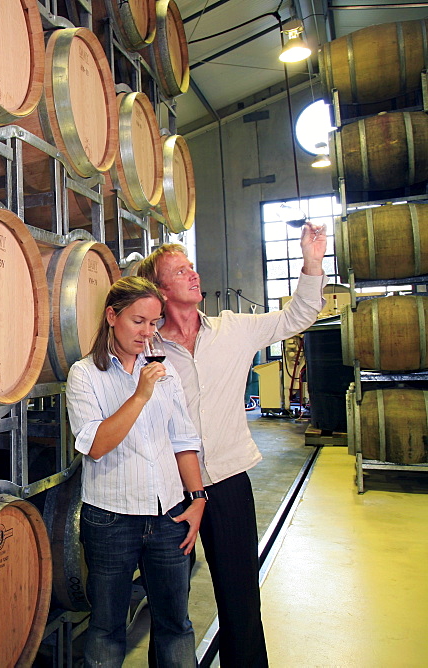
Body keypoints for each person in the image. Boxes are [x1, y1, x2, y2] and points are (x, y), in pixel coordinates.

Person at [136, 222, 328, 667]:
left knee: (241, 600)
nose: (194, 275)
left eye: (191, 268)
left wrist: (312, 263)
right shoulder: (145, 347)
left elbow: (295, 317)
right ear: (160, 290)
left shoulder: (232, 330)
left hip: (225, 481)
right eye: (181, 271)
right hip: (168, 489)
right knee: (167, 608)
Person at [65, 276, 207, 668]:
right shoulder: (84, 375)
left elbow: (183, 440)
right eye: (138, 321)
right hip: (111, 519)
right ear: (112, 316)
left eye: (155, 323)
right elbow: (95, 444)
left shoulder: (166, 372)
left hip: (169, 515)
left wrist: (197, 500)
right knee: (108, 629)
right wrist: (140, 394)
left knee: (175, 625)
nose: (147, 332)